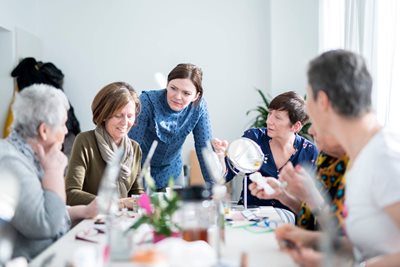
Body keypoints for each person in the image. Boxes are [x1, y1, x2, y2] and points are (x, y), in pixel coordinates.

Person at [277, 49, 400, 266]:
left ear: (323, 100)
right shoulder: (360, 157)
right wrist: (312, 239)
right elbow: (370, 249)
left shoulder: (385, 156)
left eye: (309, 98)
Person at [0, 84, 97, 260]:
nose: (66, 131)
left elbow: (46, 206)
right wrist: (54, 172)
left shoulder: (27, 155)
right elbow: (47, 223)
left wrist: (84, 211)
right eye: (63, 124)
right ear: (44, 131)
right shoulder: (10, 163)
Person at [213, 91, 318, 209]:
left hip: (288, 221)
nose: (269, 121)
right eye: (270, 114)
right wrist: (220, 156)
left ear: (296, 126)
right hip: (249, 217)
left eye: (277, 117)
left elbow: (313, 203)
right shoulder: (254, 139)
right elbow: (224, 175)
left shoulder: (309, 152)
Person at [250, 124, 348, 233]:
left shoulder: (357, 168)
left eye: (317, 122)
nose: (310, 131)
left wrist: (311, 196)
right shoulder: (326, 159)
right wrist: (281, 195)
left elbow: (347, 239)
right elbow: (312, 217)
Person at [128, 63, 213, 190]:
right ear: (167, 84)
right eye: (173, 88)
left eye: (186, 93)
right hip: (140, 170)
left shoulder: (199, 107)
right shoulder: (146, 101)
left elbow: (204, 149)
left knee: (176, 209)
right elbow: (131, 147)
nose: (178, 97)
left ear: (196, 96)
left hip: (173, 172)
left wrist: (214, 189)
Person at [66, 82, 144, 207]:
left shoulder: (134, 148)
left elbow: (137, 194)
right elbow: (70, 193)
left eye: (130, 116)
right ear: (104, 115)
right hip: (91, 220)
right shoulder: (85, 141)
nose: (125, 122)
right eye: (118, 115)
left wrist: (151, 203)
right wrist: (118, 203)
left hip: (121, 220)